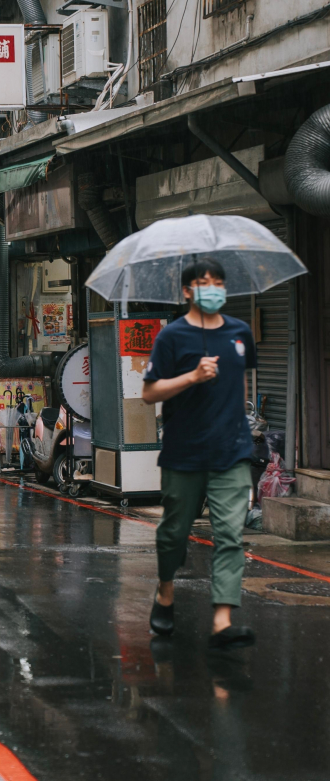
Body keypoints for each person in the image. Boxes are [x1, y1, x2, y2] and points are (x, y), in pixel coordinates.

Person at [142, 258, 257, 651]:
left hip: (232, 451)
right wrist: (192, 376)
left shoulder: (240, 332)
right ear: (188, 290)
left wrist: (242, 425)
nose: (213, 288)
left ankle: (222, 621)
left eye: (219, 282)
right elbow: (149, 393)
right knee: (174, 533)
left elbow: (239, 383)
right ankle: (165, 590)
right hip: (184, 453)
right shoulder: (171, 337)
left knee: (230, 535)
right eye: (204, 282)